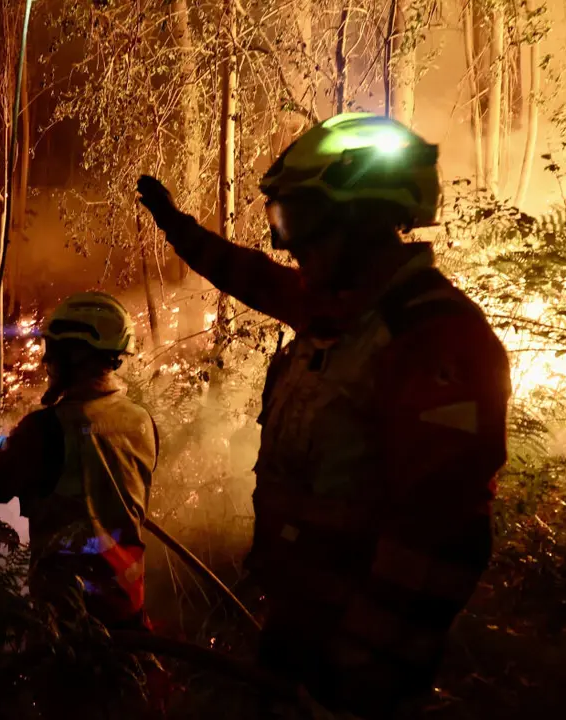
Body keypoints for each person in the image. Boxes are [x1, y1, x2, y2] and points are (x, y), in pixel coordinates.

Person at [136, 113, 511, 719]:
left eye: (297, 220)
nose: (287, 243)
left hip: (362, 675)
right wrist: (175, 227)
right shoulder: (339, 308)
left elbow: (441, 535)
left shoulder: (434, 338)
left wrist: (355, 668)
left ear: (360, 223)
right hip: (301, 634)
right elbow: (248, 274)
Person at [0, 291, 159, 632]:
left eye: (54, 353)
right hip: (126, 605)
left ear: (77, 355)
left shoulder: (44, 428)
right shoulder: (141, 420)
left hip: (66, 622)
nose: (48, 363)